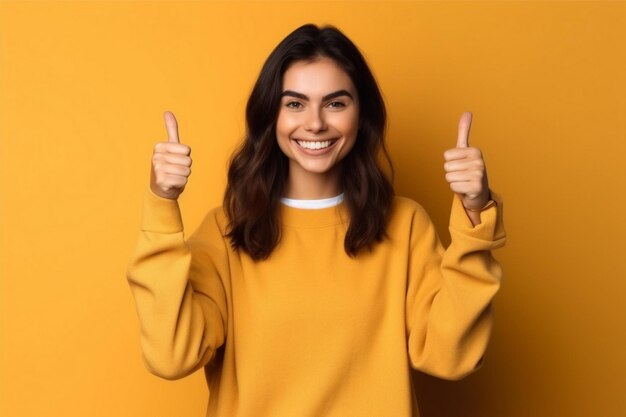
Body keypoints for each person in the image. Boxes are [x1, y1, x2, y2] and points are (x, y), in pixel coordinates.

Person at [126, 23, 506, 417]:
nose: (315, 122)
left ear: (362, 115)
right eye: (294, 103)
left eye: (336, 103)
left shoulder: (404, 225)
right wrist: (162, 203)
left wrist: (475, 214)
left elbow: (451, 357)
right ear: (270, 115)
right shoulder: (226, 232)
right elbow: (171, 357)